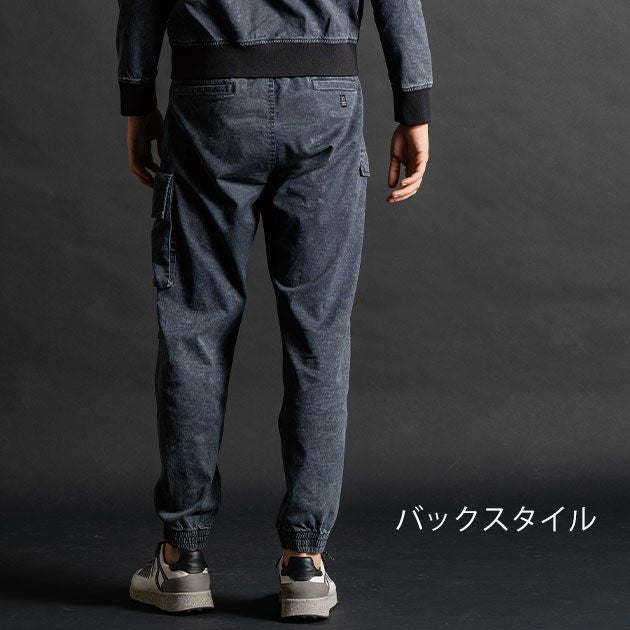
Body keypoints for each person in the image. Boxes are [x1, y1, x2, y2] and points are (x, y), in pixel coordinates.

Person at [116, 0, 432, 620]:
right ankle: (305, 563)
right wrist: (413, 105)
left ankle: (182, 558)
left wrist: (136, 96)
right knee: (319, 335)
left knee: (195, 327)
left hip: (209, 99)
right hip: (325, 101)